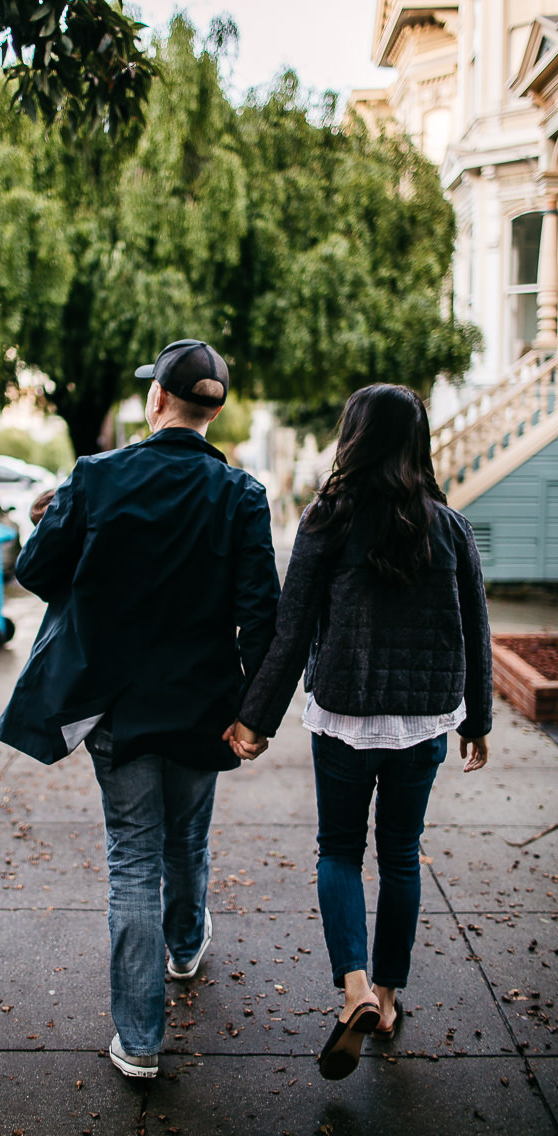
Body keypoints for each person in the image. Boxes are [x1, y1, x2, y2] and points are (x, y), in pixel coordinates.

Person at [0, 339, 279, 1079]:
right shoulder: (242, 496)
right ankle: (186, 946)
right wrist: (257, 715)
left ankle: (141, 1040)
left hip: (114, 709)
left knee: (132, 859)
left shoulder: (97, 478)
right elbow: (262, 618)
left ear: (157, 401)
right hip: (205, 709)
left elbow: (34, 571)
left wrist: (58, 520)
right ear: (214, 412)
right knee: (186, 839)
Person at [226, 383, 492, 1081]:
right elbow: (476, 629)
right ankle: (391, 998)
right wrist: (479, 718)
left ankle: (354, 990)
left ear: (354, 438)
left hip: (343, 717)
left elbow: (291, 631)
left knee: (339, 850)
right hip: (423, 718)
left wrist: (256, 719)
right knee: (402, 856)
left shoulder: (328, 520)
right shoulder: (449, 525)